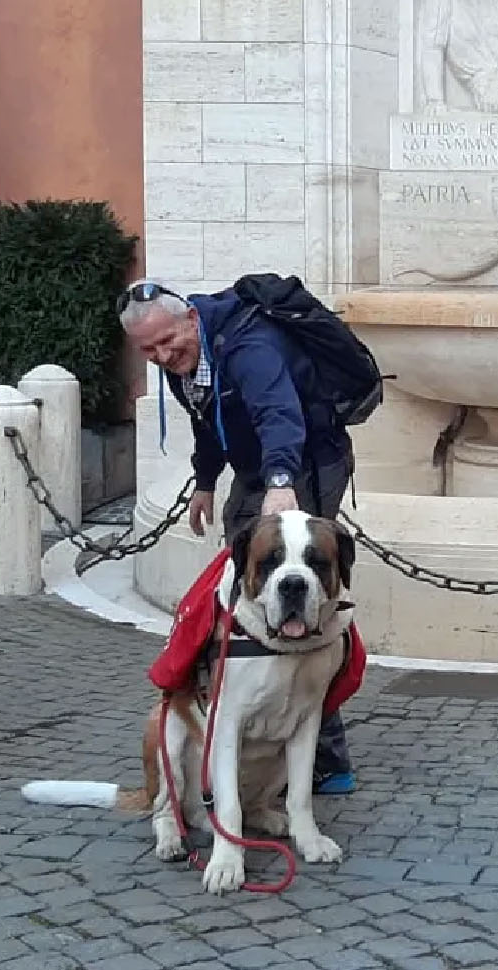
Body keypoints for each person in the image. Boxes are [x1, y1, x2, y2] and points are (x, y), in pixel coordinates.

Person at [119, 280, 360, 795]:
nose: (164, 355)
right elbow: (210, 421)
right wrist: (205, 482)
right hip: (258, 467)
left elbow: (280, 417)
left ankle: (326, 757)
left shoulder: (249, 349)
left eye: (168, 341)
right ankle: (242, 709)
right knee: (245, 588)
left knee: (306, 595)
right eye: (150, 351)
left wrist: (280, 486)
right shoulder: (190, 356)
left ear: (189, 318)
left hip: (305, 462)